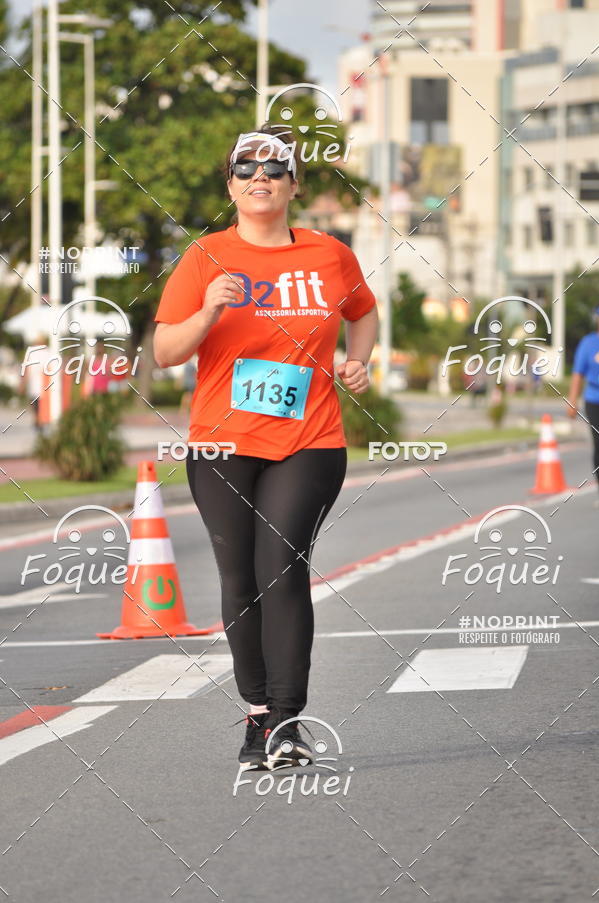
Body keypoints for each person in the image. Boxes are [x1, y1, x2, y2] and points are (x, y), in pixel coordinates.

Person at [153, 126, 379, 770]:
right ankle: (257, 715)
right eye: (246, 168)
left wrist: (356, 362)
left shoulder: (329, 254)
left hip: (309, 438)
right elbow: (167, 352)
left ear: (293, 185)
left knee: (281, 565)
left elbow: (364, 310)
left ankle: (286, 720)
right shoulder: (205, 257)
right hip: (222, 441)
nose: (261, 177)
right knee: (238, 578)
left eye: (275, 169)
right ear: (230, 185)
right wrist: (208, 313)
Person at [567, 304, 599, 505]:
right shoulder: (588, 343)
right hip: (594, 400)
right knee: (598, 443)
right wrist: (572, 400)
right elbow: (578, 374)